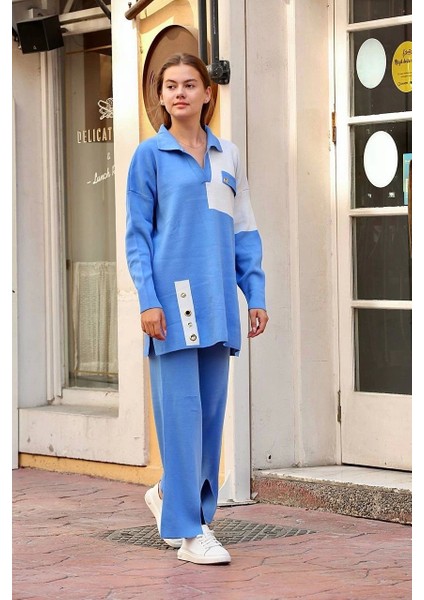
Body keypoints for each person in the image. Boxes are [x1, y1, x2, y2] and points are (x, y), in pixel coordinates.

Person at [125, 52, 268, 565]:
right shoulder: (149, 156)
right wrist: (148, 300)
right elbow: (138, 236)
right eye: (171, 85)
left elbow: (244, 229)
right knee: (181, 416)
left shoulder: (229, 155)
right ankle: (191, 531)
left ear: (208, 93)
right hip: (171, 306)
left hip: (217, 303)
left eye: (190, 84)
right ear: (161, 97)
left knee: (209, 419)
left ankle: (172, 496)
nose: (180, 92)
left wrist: (255, 292)